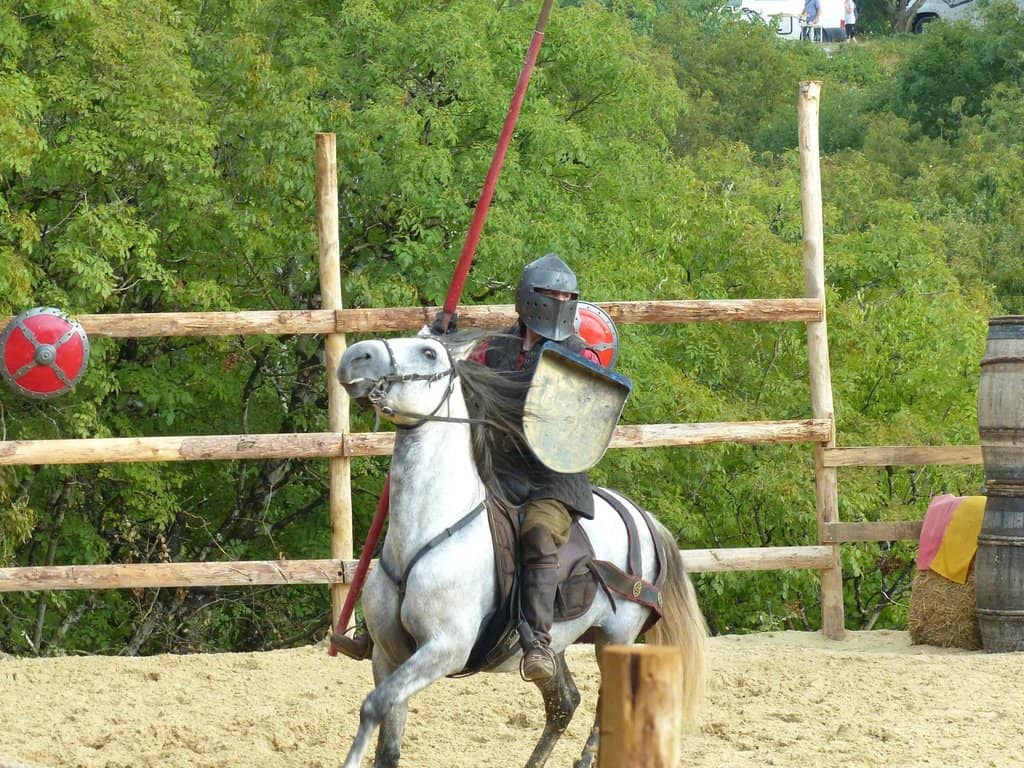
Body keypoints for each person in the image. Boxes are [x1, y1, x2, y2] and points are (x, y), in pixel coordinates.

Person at [466, 253, 599, 682]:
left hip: (553, 480)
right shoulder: (493, 348)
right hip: (498, 472)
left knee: (538, 534)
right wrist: (442, 345)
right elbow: (465, 389)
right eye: (550, 294)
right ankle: (384, 625)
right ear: (528, 298)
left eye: (567, 295)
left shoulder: (580, 356)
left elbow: (584, 414)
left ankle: (538, 643)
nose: (559, 301)